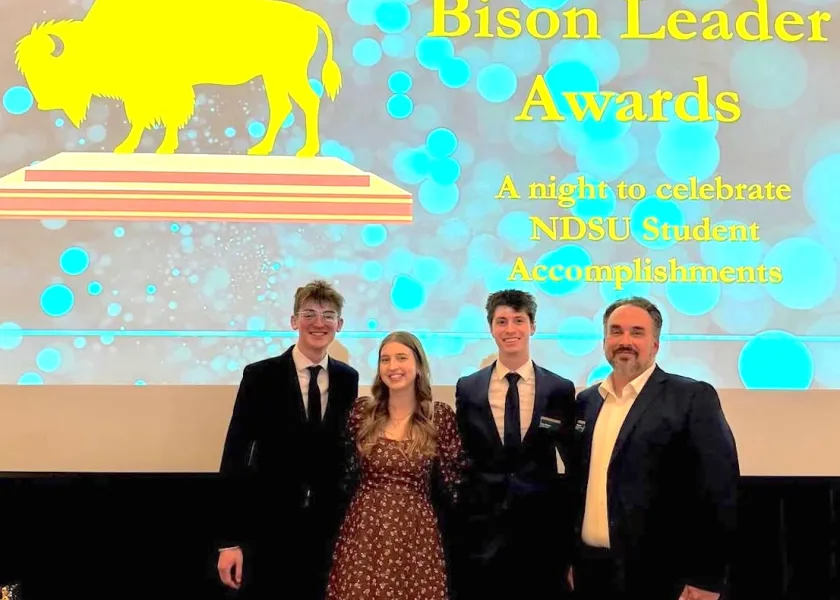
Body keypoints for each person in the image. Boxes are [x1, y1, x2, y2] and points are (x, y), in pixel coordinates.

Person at [571, 296, 740, 600]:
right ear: (605, 339)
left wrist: (707, 578)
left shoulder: (690, 397)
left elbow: (719, 490)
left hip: (660, 577)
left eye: (637, 332)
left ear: (656, 344)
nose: (625, 340)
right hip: (591, 573)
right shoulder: (587, 402)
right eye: (616, 331)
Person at [216, 279, 360, 600]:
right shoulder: (260, 376)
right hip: (268, 527)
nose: (318, 323)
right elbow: (235, 454)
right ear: (294, 321)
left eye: (328, 315)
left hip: (325, 528)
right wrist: (229, 540)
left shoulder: (348, 379)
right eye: (309, 314)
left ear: (340, 324)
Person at [453, 289, 578, 600]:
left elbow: (572, 460)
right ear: (491, 327)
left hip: (540, 531)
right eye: (502, 321)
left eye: (518, 321)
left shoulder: (559, 388)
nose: (510, 330)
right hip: (482, 529)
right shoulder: (468, 387)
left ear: (532, 326)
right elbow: (463, 454)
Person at [326, 331, 467, 600]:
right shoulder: (361, 413)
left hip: (416, 533)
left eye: (401, 358)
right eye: (385, 359)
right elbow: (343, 476)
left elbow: (454, 485)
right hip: (364, 531)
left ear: (418, 366)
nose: (393, 366)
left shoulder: (439, 417)